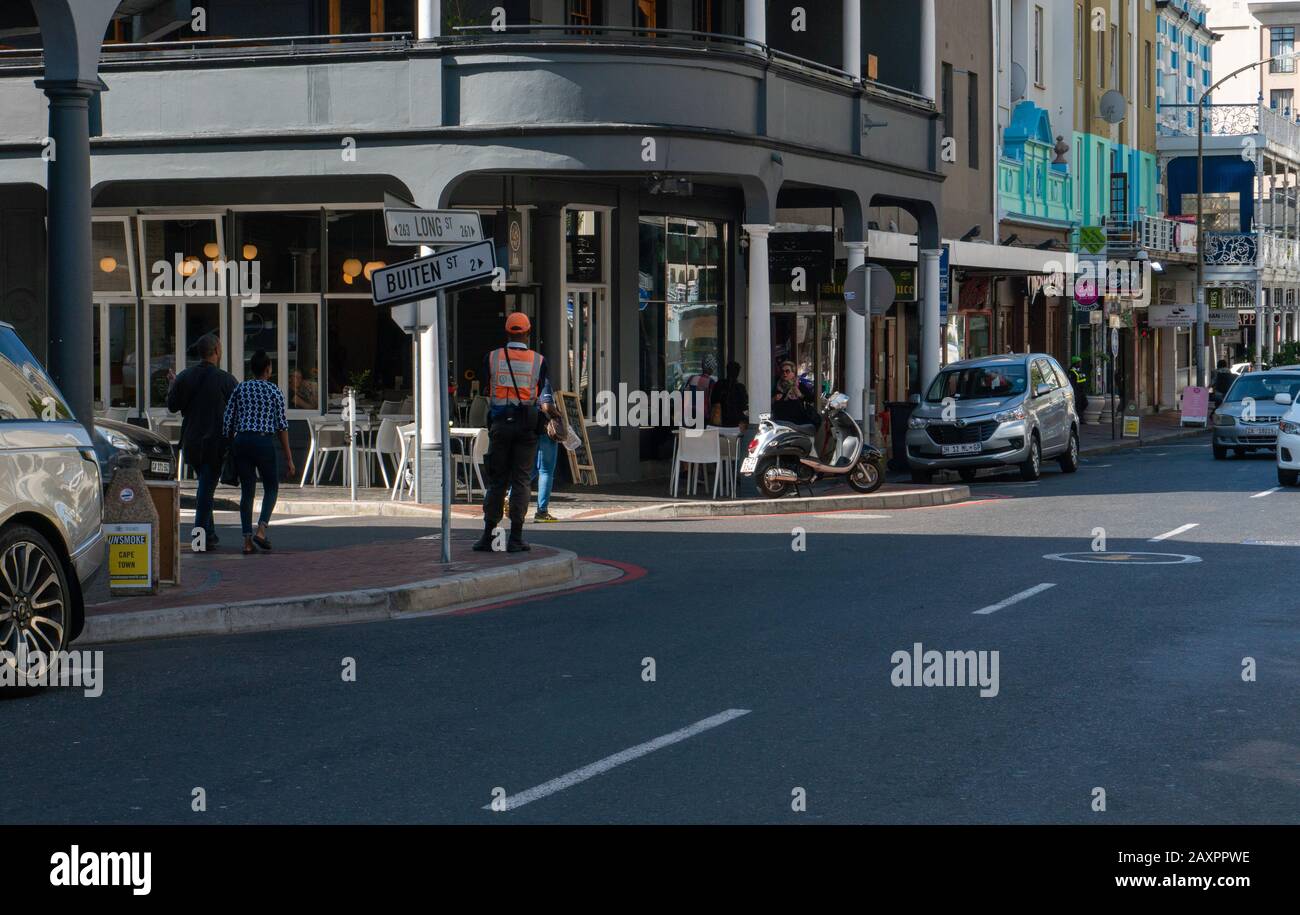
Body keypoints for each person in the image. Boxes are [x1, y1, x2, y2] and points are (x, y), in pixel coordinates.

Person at [474, 312, 550, 553]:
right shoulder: (538, 360)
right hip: (527, 426)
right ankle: (516, 537)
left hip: (499, 424)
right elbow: (540, 390)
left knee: (497, 480)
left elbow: (485, 387)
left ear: (507, 333)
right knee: (521, 480)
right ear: (528, 333)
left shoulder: (492, 357)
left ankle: (488, 535)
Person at [166, 333, 236, 549]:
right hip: (215, 442)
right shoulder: (226, 379)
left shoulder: (185, 377)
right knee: (205, 489)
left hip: (191, 442)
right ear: (216, 350)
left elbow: (172, 406)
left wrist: (173, 384)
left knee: (205, 485)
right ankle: (199, 538)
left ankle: (210, 535)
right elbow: (238, 409)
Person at [222, 350, 295, 555]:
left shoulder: (240, 389)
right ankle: (262, 530)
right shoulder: (274, 391)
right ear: (268, 369)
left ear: (251, 369)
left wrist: (230, 443)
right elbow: (282, 426)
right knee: (271, 486)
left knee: (247, 491)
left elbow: (227, 420)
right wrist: (289, 458)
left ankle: (246, 540)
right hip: (263, 441)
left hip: (242, 440)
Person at [532, 384, 565, 523]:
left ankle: (510, 498)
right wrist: (559, 414)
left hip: (528, 430)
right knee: (546, 471)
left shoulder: (524, 378)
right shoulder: (543, 380)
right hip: (545, 431)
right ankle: (542, 511)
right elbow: (547, 406)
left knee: (530, 469)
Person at [710, 361, 750, 430]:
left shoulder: (719, 384)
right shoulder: (740, 388)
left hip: (721, 421)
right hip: (734, 422)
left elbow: (713, 401)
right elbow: (744, 405)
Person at [772, 360, 813, 425]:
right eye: (782, 371)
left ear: (793, 373)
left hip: (797, 423)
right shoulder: (777, 386)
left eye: (787, 371)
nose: (784, 374)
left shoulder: (799, 386)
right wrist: (774, 398)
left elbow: (811, 399)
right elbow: (769, 402)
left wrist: (800, 395)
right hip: (780, 423)